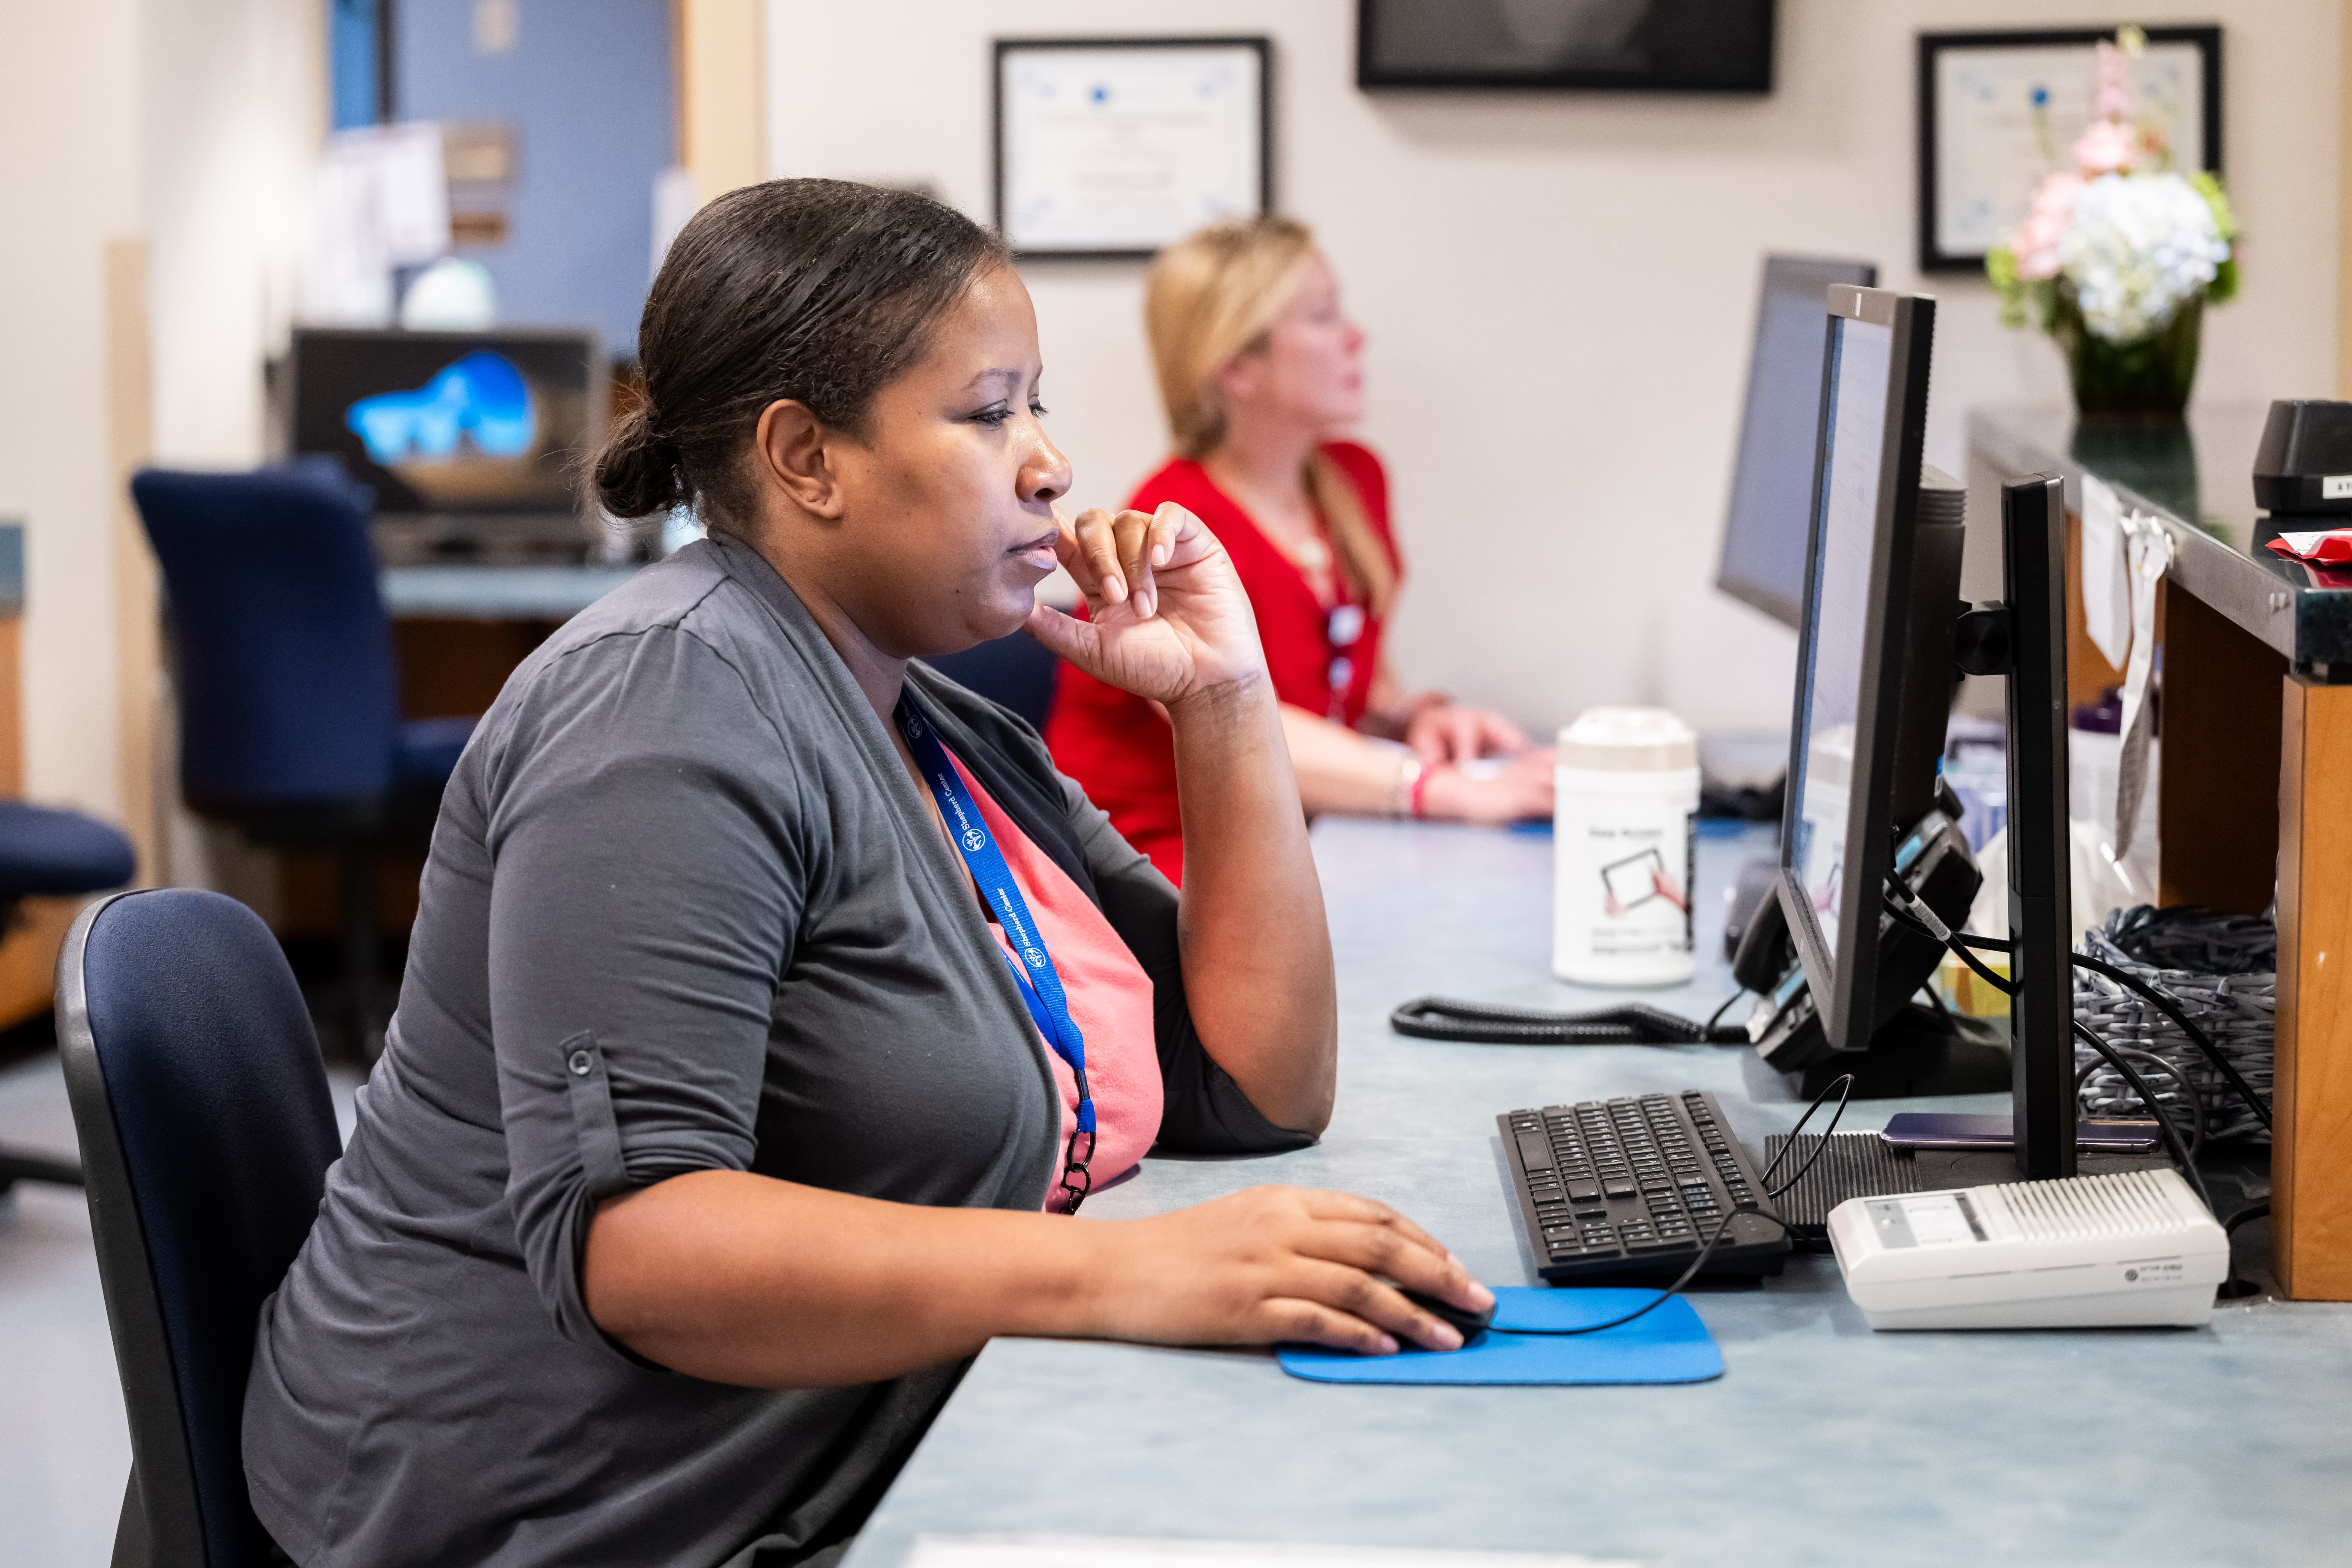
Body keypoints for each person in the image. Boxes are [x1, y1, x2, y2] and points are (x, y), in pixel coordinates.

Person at [240, 181, 1489, 1568]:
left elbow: (1256, 1083)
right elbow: (641, 1247)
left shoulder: (938, 723)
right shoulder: (663, 706)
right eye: (987, 411)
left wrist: (1224, 697)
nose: (1051, 464)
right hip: (552, 1513)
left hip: (808, 1457)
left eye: (1037, 406)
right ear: (805, 457)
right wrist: (1126, 1269)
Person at [1045, 216, 1554, 883]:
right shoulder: (1170, 528)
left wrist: (1414, 716)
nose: (1356, 338)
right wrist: (1446, 789)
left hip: (1292, 829)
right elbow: (1233, 717)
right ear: (1235, 366)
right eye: (1322, 317)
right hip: (1152, 858)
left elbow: (1344, 672)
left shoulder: (1352, 480)